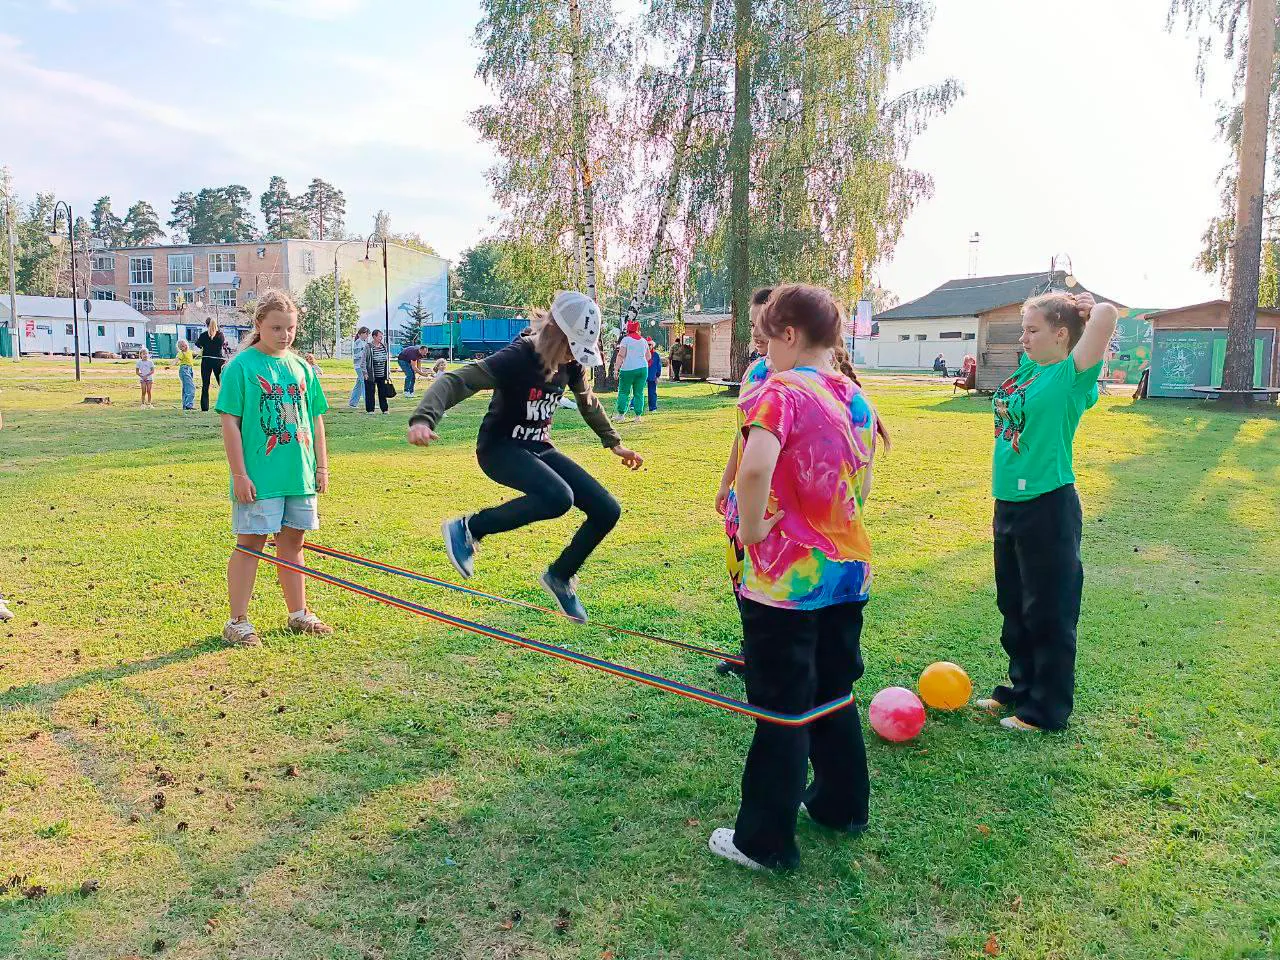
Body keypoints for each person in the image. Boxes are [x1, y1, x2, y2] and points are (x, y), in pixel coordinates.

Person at [708, 284, 880, 874]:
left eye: (765, 338)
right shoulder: (856, 398)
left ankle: (763, 841)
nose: (764, 351)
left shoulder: (781, 391)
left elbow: (755, 466)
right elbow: (864, 486)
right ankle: (841, 805)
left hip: (785, 583)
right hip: (846, 574)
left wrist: (752, 531)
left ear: (790, 335)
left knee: (782, 706)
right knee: (833, 691)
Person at [407, 291, 644, 624]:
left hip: (537, 446)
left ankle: (561, 576)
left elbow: (587, 400)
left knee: (607, 509)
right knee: (558, 497)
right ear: (555, 335)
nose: (571, 358)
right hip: (499, 448)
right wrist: (423, 418)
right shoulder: (519, 356)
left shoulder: (572, 362)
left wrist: (613, 442)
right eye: (569, 348)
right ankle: (468, 529)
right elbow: (457, 379)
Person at [978, 291, 1118, 733]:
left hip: (1048, 504)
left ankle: (1046, 709)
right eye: (1024, 328)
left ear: (1061, 335)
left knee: (1048, 610)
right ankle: (1021, 691)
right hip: (1009, 503)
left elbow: (1107, 317)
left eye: (1032, 330)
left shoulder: (1071, 376)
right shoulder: (1029, 371)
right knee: (1014, 605)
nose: (1024, 337)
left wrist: (1085, 304)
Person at [215, 290, 332, 648]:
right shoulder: (241, 367)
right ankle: (238, 621)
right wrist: (239, 474)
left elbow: (316, 419)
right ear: (259, 326)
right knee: (251, 544)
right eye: (277, 327)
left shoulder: (302, 368)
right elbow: (230, 423)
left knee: (293, 542)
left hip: (298, 473)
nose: (285, 335)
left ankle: (298, 613)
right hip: (259, 477)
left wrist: (322, 466)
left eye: (291, 328)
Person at [714, 286, 775, 676]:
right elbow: (744, 433)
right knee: (740, 576)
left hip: (772, 501)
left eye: (761, 324)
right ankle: (751, 650)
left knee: (769, 581)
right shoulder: (755, 371)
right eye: (751, 324)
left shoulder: (791, 379)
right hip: (742, 497)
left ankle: (769, 657)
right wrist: (726, 481)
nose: (755, 333)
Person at [613, 320, 651, 422]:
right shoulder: (643, 341)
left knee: (624, 392)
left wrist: (616, 369)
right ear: (637, 330)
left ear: (628, 330)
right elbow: (648, 356)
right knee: (639, 392)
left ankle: (621, 415)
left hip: (628, 369)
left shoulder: (626, 340)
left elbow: (621, 355)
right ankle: (638, 416)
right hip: (643, 368)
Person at [195, 317, 226, 412]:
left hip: (206, 360)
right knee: (221, 383)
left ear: (206, 324)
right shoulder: (220, 335)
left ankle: (204, 407)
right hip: (218, 360)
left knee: (205, 384)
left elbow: (198, 344)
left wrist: (205, 346)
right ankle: (224, 405)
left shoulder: (203, 335)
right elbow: (222, 345)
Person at [362, 329, 393, 414]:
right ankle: (370, 410)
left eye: (381, 336)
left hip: (382, 374)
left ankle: (385, 409)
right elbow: (363, 360)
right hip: (371, 374)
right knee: (370, 392)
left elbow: (387, 360)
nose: (381, 338)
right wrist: (365, 373)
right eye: (379, 336)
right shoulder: (368, 347)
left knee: (382, 392)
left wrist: (388, 371)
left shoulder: (384, 346)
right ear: (374, 336)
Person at [348, 327, 371, 409]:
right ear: (361, 333)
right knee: (365, 384)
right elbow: (358, 355)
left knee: (359, 385)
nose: (367, 335)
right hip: (360, 366)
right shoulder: (359, 342)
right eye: (366, 334)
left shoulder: (363, 342)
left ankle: (352, 403)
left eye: (368, 334)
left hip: (361, 366)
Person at [176, 339, 197, 410]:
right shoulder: (181, 353)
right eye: (182, 346)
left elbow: (196, 354)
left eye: (185, 345)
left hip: (190, 369)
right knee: (191, 388)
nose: (185, 347)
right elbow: (177, 359)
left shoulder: (190, 352)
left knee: (186, 388)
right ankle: (189, 405)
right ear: (180, 348)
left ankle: (185, 405)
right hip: (184, 370)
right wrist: (170, 365)